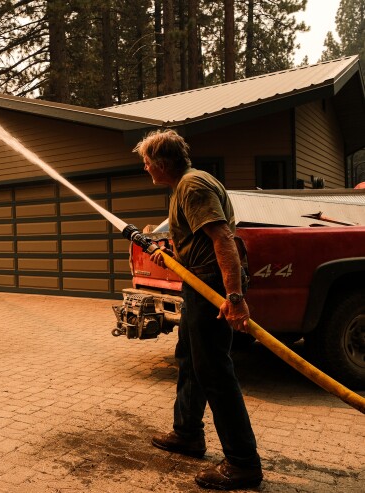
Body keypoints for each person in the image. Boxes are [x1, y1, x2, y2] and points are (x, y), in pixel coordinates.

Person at [133, 129, 263, 490]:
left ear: (160, 163)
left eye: (146, 163)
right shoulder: (183, 188)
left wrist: (234, 297)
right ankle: (187, 433)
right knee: (190, 359)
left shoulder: (191, 186)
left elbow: (222, 238)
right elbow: (200, 241)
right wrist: (171, 255)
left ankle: (243, 464)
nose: (145, 169)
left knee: (215, 372)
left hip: (212, 288)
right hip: (197, 281)